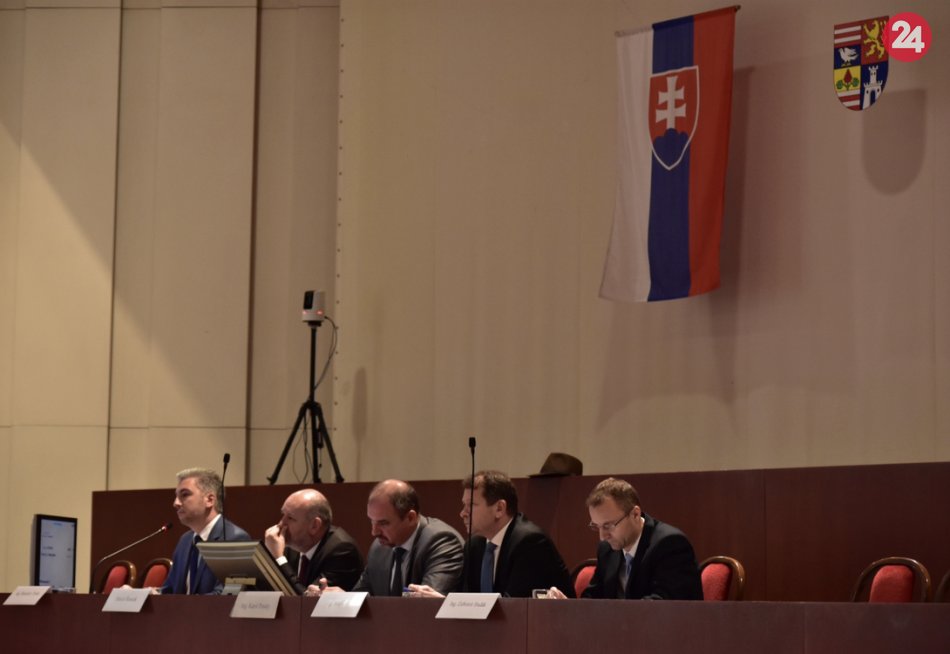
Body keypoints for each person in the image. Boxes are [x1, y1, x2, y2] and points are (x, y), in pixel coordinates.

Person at [409, 470, 574, 598]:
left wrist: (446, 602)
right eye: (463, 505)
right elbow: (466, 598)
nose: (463, 513)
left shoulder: (530, 542)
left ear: (499, 508)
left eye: (471, 505)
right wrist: (442, 601)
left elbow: (514, 607)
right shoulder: (475, 545)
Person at [547, 477, 702, 600]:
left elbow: (663, 605)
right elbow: (593, 599)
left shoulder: (670, 544)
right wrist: (568, 607)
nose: (602, 536)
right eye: (596, 526)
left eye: (608, 525)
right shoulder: (607, 549)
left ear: (635, 514)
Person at [324, 479, 463, 596]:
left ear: (410, 518)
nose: (374, 532)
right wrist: (340, 599)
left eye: (383, 523)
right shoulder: (379, 548)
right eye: (372, 521)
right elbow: (362, 597)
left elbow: (428, 603)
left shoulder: (441, 542)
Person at [160, 467, 252, 594]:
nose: (176, 503)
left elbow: (228, 594)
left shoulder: (235, 539)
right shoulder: (185, 540)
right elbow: (169, 590)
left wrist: (185, 604)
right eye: (176, 496)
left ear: (210, 500)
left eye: (184, 495)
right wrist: (148, 594)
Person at [263, 488, 363, 595]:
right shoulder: (291, 545)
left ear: (314, 525)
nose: (281, 523)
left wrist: (279, 558)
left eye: (290, 518)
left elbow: (306, 601)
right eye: (283, 514)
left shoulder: (342, 551)